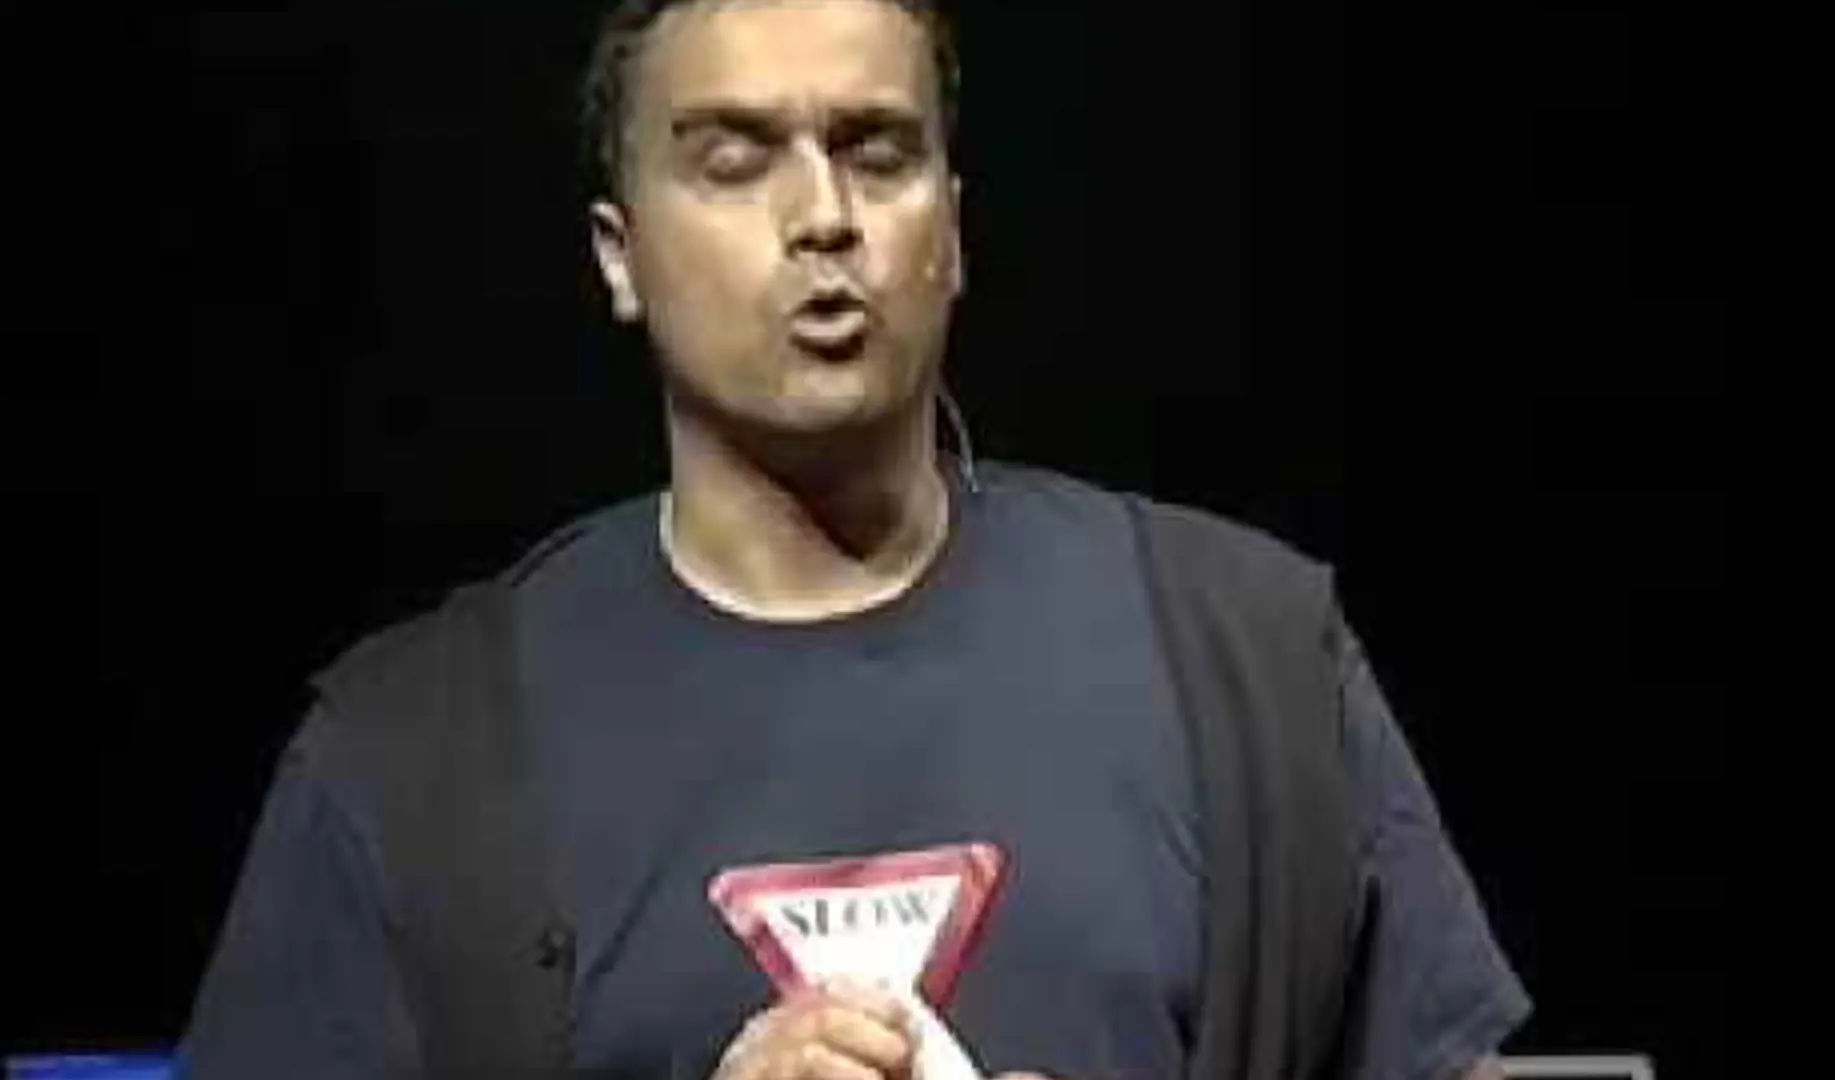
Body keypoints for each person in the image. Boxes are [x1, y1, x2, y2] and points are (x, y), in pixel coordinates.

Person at [178, 1, 1532, 1078]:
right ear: (618, 254)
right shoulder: (405, 760)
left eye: (878, 150)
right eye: (733, 159)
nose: (823, 214)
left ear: (954, 225)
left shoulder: (1255, 663)